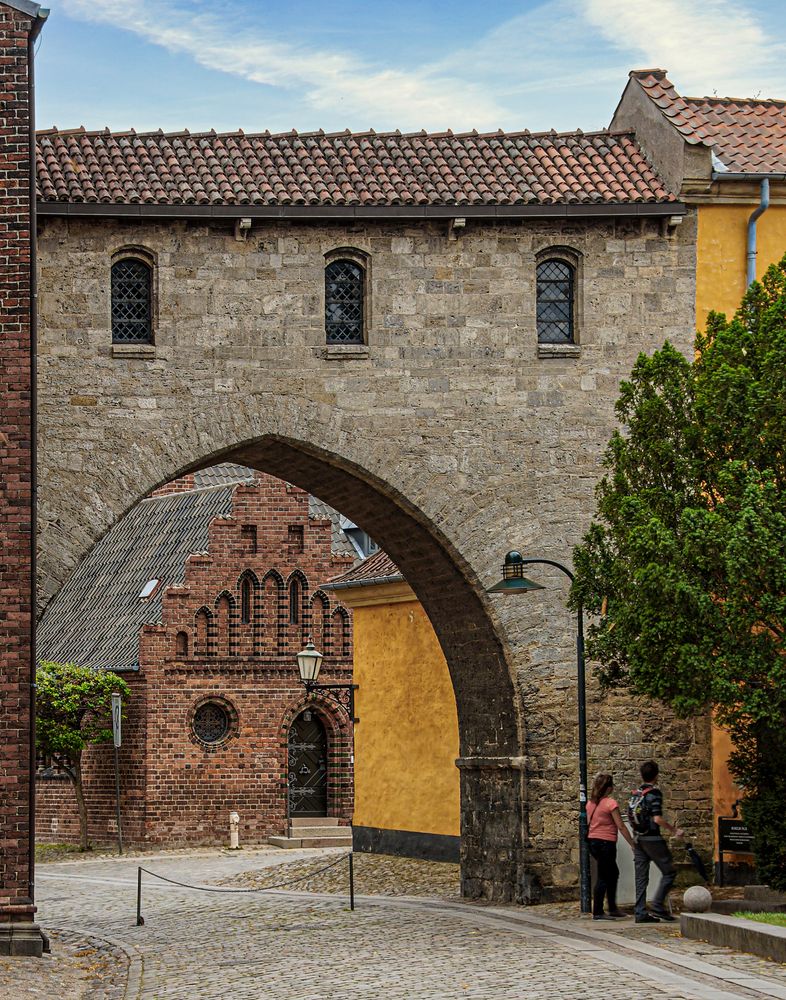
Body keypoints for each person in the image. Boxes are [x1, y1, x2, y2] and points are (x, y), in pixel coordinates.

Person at [632, 760, 684, 924]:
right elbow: (657, 818)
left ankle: (640, 911)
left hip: (638, 838)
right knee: (669, 871)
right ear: (656, 775)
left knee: (641, 877)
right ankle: (657, 905)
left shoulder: (636, 793)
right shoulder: (654, 794)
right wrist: (674, 831)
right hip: (652, 839)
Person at [586, 772, 636, 919]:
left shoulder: (590, 804)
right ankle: (598, 911)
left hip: (593, 841)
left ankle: (613, 907)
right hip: (605, 842)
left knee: (612, 873)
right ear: (608, 788)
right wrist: (632, 843)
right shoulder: (610, 803)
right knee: (604, 875)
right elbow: (620, 825)